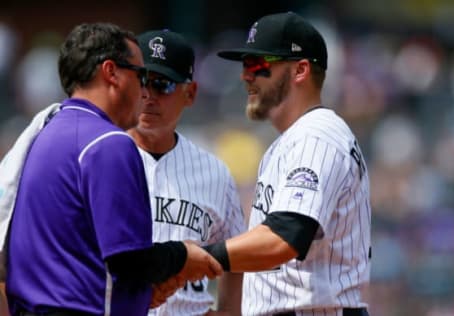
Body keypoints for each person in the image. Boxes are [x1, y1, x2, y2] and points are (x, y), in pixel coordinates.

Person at [4, 22, 222, 316]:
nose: (145, 90)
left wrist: (140, 296)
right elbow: (128, 261)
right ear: (111, 72)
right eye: (141, 75)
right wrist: (182, 255)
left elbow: (76, 257)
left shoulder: (45, 133)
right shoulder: (108, 143)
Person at [205, 12, 372, 315]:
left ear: (300, 70)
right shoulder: (292, 141)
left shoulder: (317, 136)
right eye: (245, 66)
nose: (246, 76)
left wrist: (196, 258)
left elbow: (284, 238)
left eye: (257, 66)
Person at [130, 29, 245, 316]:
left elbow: (236, 257)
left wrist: (229, 312)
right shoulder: (97, 157)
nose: (148, 95)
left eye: (163, 85)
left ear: (190, 93)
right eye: (141, 80)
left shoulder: (214, 173)